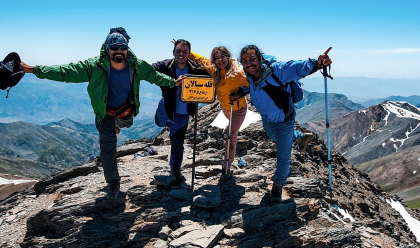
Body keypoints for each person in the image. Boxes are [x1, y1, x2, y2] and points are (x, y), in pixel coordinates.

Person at [19, 27, 179, 200]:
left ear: (127, 49)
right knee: (107, 149)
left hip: (126, 112)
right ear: (107, 48)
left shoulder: (137, 66)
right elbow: (65, 72)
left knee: (126, 123)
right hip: (104, 114)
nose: (119, 51)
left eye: (122, 48)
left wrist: (174, 82)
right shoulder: (94, 66)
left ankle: (119, 125)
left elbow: (155, 76)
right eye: (115, 48)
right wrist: (34, 70)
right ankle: (113, 183)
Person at [234, 44, 331, 202]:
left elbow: (297, 67)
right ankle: (297, 136)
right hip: (267, 119)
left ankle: (278, 185)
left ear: (260, 58)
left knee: (283, 155)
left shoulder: (277, 71)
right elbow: (252, 87)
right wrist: (240, 93)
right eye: (244, 60)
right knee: (273, 137)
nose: (249, 63)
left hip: (285, 120)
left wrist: (317, 63)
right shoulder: (248, 75)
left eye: (252, 59)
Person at [152, 39, 209, 186]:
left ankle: (175, 171)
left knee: (177, 143)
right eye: (178, 51)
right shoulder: (164, 66)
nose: (181, 54)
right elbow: (147, 70)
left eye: (185, 51)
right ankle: (166, 124)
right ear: (173, 52)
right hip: (166, 107)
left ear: (190, 54)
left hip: (183, 113)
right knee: (159, 123)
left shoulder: (196, 68)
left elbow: (214, 71)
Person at [189, 46, 249, 175]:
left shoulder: (238, 72)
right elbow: (201, 60)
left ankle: (226, 165)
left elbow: (250, 84)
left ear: (228, 57)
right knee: (229, 134)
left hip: (238, 109)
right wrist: (187, 51)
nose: (220, 60)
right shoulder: (214, 70)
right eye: (216, 58)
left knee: (230, 136)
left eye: (222, 56)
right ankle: (227, 163)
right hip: (226, 108)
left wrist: (240, 93)